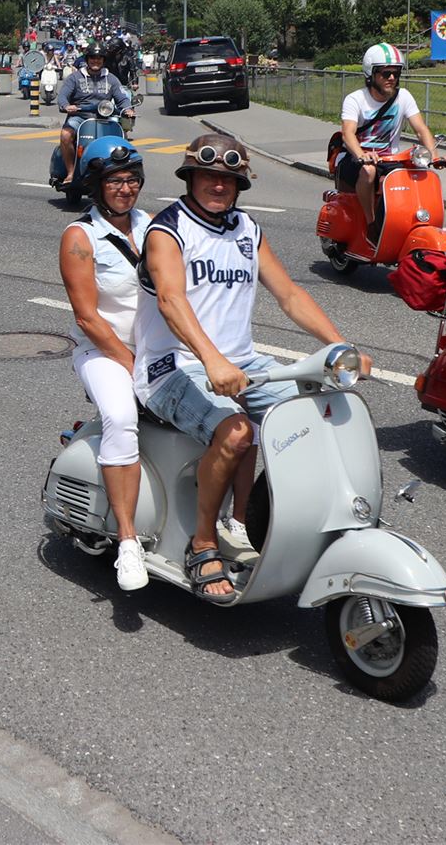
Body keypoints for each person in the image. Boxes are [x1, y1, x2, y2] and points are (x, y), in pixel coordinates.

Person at [134, 134, 372, 604]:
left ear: (239, 184)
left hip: (241, 363)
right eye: (208, 176)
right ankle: (203, 544)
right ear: (190, 178)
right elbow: (171, 300)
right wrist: (212, 359)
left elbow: (290, 295)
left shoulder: (246, 229)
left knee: (318, 416)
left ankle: (255, 522)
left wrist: (341, 345)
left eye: (228, 179)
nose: (218, 185)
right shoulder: (168, 230)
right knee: (237, 431)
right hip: (173, 367)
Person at [58, 140, 151, 590]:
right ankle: (129, 544)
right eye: (115, 181)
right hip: (102, 351)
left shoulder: (152, 225)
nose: (125, 189)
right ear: (97, 186)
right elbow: (87, 317)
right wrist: (131, 363)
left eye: (132, 180)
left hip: (156, 348)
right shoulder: (81, 237)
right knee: (120, 416)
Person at [337, 43, 444, 239]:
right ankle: (371, 225)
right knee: (369, 171)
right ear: (371, 74)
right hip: (354, 158)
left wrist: (434, 156)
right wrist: (361, 154)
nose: (392, 78)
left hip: (389, 160)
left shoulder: (403, 96)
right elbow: (348, 133)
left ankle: (402, 225)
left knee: (414, 175)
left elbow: (421, 129)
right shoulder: (355, 99)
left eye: (396, 73)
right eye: (386, 73)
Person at [55, 41, 134, 192]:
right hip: (80, 116)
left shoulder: (111, 78)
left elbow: (122, 98)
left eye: (99, 58)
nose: (95, 61)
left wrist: (128, 109)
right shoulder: (75, 77)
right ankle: (71, 172)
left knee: (122, 137)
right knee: (65, 135)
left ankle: (118, 173)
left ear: (103, 60)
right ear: (87, 59)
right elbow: (63, 96)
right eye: (92, 58)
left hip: (104, 118)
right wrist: (66, 106)